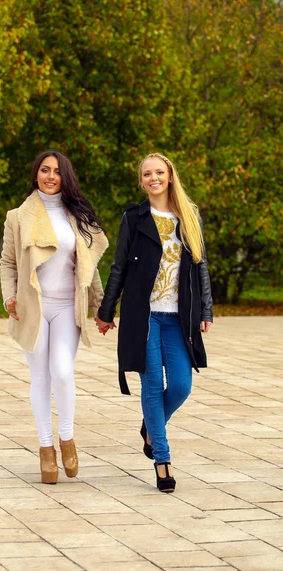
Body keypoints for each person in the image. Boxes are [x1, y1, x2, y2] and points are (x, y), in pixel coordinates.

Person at [95, 153, 213, 493]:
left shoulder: (189, 217)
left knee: (180, 386)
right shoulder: (134, 218)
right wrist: (106, 311)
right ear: (141, 180)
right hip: (143, 315)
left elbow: (200, 266)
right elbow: (119, 267)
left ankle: (150, 428)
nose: (153, 178)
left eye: (159, 172)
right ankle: (162, 460)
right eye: (147, 174)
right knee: (150, 386)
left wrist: (206, 309)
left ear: (170, 176)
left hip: (179, 317)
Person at [0, 150, 108, 484]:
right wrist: (9, 296)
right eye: (44, 170)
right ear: (35, 175)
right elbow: (8, 263)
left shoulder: (77, 215)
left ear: (65, 177)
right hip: (33, 307)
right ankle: (46, 448)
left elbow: (89, 267)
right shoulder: (17, 217)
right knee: (40, 378)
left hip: (67, 307)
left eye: (57, 171)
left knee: (62, 372)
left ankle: (66, 437)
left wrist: (99, 307)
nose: (50, 176)